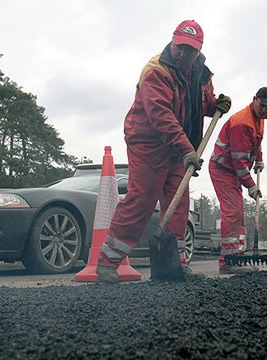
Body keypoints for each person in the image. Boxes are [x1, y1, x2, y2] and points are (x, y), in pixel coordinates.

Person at [95, 20, 231, 282]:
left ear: (198, 50)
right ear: (172, 41)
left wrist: (215, 105)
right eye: (180, 47)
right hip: (149, 141)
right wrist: (185, 149)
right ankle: (107, 262)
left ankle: (175, 264)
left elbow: (197, 103)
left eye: (190, 50)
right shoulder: (156, 71)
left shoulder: (202, 75)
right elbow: (160, 114)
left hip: (179, 147)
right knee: (143, 197)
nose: (183, 53)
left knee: (179, 204)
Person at [209, 87, 267, 273]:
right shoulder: (242, 122)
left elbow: (257, 141)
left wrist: (259, 158)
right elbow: (239, 161)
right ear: (254, 99)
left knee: (238, 214)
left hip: (233, 170)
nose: (265, 110)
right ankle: (227, 263)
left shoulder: (259, 119)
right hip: (223, 169)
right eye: (263, 105)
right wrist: (252, 186)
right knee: (232, 213)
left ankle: (236, 258)